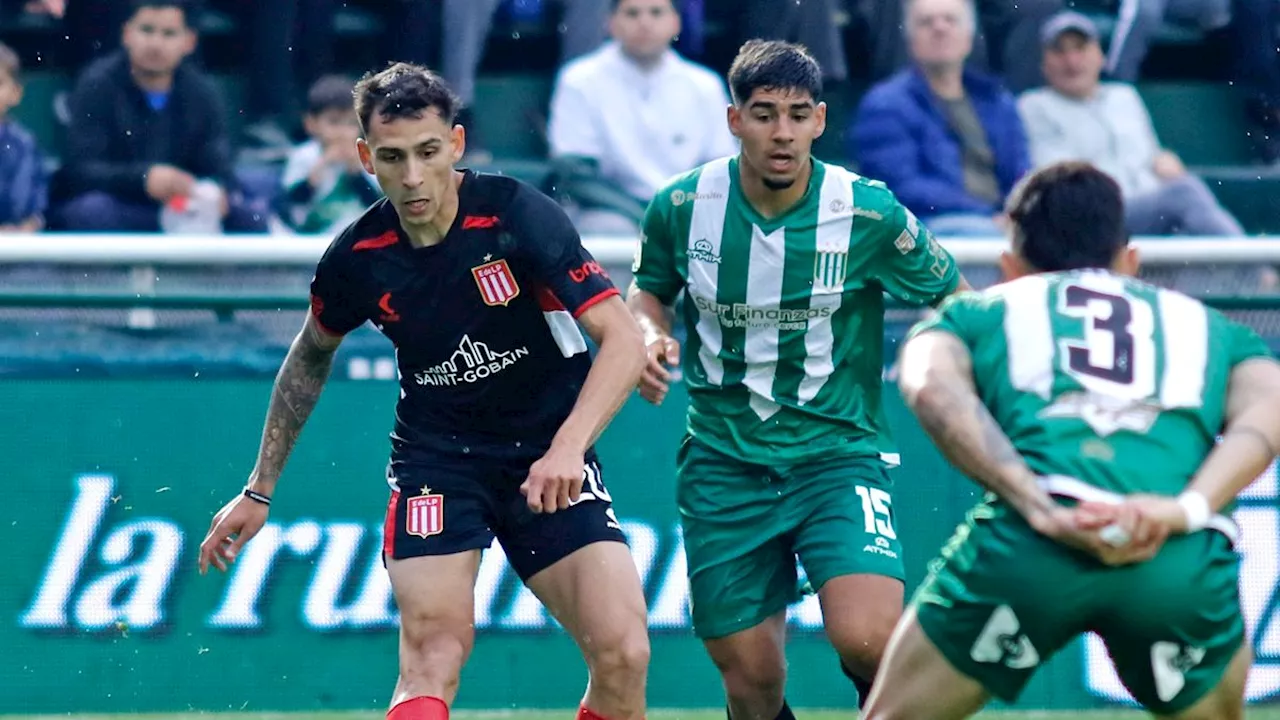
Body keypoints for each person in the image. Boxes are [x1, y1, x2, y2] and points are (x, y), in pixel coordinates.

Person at [197, 63, 651, 720]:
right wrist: (260, 486)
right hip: (438, 464)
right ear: (365, 158)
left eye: (427, 153)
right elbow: (308, 357)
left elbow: (625, 340)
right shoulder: (357, 257)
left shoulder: (518, 216)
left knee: (624, 654)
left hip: (548, 455)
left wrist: (570, 447)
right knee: (433, 655)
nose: (412, 177)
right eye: (392, 158)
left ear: (456, 145)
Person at [863, 160, 1280, 720]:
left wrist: (1035, 503)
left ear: (1009, 265)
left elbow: (928, 385)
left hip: (1031, 549)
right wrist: (1183, 510)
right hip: (1172, 560)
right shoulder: (1210, 327)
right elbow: (1269, 408)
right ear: (1131, 260)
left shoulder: (983, 310)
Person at [627, 39, 971, 717]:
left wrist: (948, 361)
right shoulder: (680, 206)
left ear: (819, 120)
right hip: (723, 461)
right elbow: (649, 289)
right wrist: (648, 335)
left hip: (836, 456)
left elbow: (956, 299)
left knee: (870, 639)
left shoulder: (869, 212)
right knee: (752, 683)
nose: (780, 133)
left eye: (796, 114)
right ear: (734, 120)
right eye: (762, 114)